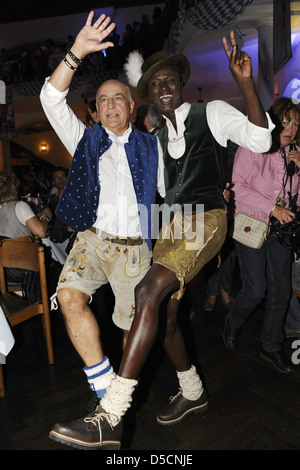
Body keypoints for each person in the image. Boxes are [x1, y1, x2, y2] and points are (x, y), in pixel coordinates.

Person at [48, 20, 275, 450]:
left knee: (148, 294)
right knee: (166, 319)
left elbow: (260, 142)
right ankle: (192, 392)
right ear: (147, 97)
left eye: (170, 79)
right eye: (155, 84)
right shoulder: (130, 142)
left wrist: (246, 84)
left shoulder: (197, 120)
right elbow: (162, 192)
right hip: (152, 230)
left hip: (194, 222)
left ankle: (111, 414)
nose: (163, 88)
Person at [40, 12, 165, 412]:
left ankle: (122, 386)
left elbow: (171, 192)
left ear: (132, 107)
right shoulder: (84, 140)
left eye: (118, 99)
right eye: (102, 101)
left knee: (133, 330)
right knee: (68, 295)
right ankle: (106, 387)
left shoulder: (152, 146)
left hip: (135, 250)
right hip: (92, 240)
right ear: (94, 111)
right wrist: (76, 51)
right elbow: (49, 98)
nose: (110, 105)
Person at [223, 97, 300, 374]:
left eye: (295, 124)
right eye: (286, 121)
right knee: (256, 290)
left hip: (280, 232)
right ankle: (233, 320)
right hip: (252, 225)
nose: (290, 128)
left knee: (280, 291)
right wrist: (273, 209)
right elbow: (238, 187)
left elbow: (296, 197)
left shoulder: (295, 152)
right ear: (274, 119)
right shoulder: (253, 145)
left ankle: (270, 346)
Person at [0, 170, 52, 282]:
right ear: (15, 188)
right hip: (26, 271)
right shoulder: (19, 206)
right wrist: (45, 217)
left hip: (3, 272)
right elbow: (41, 232)